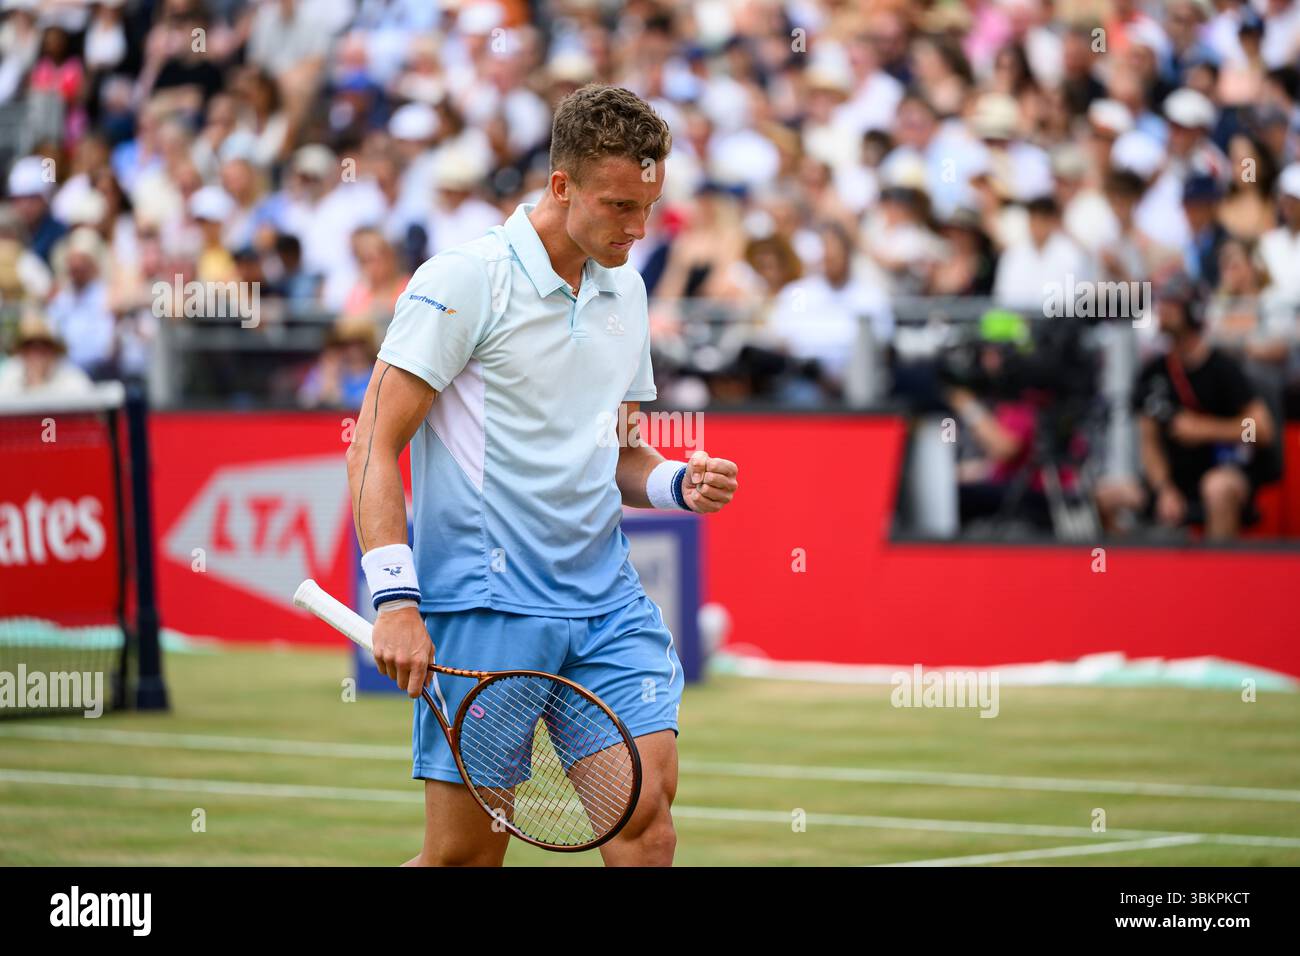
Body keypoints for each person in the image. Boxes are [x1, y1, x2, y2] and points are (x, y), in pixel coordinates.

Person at [346, 85, 739, 868]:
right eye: (619, 206)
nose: (637, 229)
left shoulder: (624, 283)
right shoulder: (462, 281)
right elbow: (370, 445)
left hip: (605, 603)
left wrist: (675, 486)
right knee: (464, 858)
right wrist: (394, 598)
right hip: (486, 604)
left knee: (646, 826)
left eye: (649, 208)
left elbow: (620, 451)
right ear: (561, 187)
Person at [1095, 272, 1277, 540]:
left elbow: (1259, 429)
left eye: (1172, 303)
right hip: (1172, 480)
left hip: (1222, 473)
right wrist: (1164, 489)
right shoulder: (1153, 372)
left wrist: (1206, 430)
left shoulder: (1222, 368)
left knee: (1216, 488)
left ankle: (1219, 575)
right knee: (1107, 495)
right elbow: (1150, 442)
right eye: (1161, 303)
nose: (1162, 310)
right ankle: (1126, 574)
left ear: (1193, 310)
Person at [0, 313, 92, 398]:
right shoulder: (11, 375)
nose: (37, 354)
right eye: (30, 347)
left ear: (53, 351)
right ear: (22, 352)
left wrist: (38, 385)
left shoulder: (71, 377)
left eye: (44, 347)